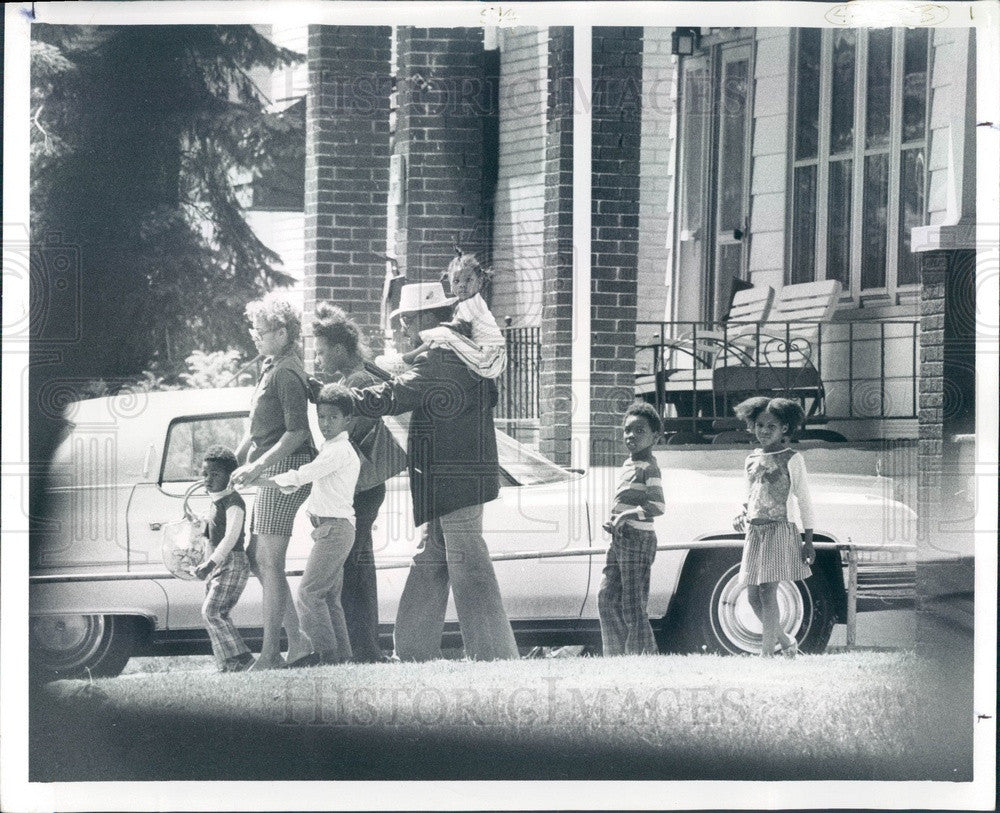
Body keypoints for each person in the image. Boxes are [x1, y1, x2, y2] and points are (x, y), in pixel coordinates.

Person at [351, 281, 519, 662]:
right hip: (456, 482)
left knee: (468, 565)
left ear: (429, 319)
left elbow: (396, 396)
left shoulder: (440, 359)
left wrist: (345, 396)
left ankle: (495, 656)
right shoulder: (460, 355)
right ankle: (413, 650)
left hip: (454, 483)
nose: (404, 328)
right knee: (432, 558)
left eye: (408, 320)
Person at [311, 302, 406, 663]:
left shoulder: (359, 383)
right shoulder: (353, 380)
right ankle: (363, 646)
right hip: (359, 488)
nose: (318, 359)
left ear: (339, 349)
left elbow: (345, 442)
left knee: (354, 567)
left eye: (321, 352)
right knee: (354, 565)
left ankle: (365, 648)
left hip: (359, 489)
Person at [230, 292, 315, 670]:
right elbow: (259, 427)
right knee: (260, 559)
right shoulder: (273, 365)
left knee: (268, 561)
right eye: (254, 329)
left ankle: (270, 655)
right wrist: (234, 461)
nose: (255, 336)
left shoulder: (286, 372)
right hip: (272, 470)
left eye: (261, 330)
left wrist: (257, 466)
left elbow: (296, 433)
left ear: (282, 333)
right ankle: (297, 643)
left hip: (287, 470)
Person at [262, 383, 361, 666]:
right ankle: (342, 657)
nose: (325, 423)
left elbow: (304, 475)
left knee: (308, 593)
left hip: (335, 530)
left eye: (332, 417)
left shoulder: (338, 451)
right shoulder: (331, 448)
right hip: (330, 530)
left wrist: (261, 479)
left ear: (347, 420)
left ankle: (327, 655)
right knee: (328, 596)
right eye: (321, 417)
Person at [732, 396, 817, 658]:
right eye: (759, 425)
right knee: (752, 596)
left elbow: (804, 499)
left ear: (785, 429)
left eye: (772, 425)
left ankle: (767, 654)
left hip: (780, 530)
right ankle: (785, 640)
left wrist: (809, 540)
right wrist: (740, 514)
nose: (764, 431)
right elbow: (750, 497)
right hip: (755, 533)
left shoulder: (793, 458)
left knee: (769, 591)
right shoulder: (751, 459)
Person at [598, 402, 666, 656]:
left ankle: (643, 657)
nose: (631, 436)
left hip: (639, 538)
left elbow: (658, 506)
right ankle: (615, 657)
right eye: (627, 430)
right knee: (606, 598)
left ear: (655, 437)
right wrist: (615, 520)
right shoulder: (628, 464)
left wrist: (625, 515)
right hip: (620, 538)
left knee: (633, 605)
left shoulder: (650, 467)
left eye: (639, 431)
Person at [193, 446, 255, 672]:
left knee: (211, 612)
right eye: (205, 474)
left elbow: (231, 537)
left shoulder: (233, 502)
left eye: (215, 474)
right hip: (219, 565)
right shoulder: (216, 502)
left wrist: (210, 563)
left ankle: (243, 658)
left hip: (232, 563)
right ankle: (227, 664)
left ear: (230, 477)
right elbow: (212, 532)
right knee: (219, 614)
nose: (208, 479)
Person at [399, 250, 506, 379]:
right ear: (450, 285)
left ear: (479, 282)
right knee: (444, 338)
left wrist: (441, 330)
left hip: (490, 358)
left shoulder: (473, 304)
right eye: (456, 281)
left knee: (443, 334)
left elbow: (456, 329)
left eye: (468, 280)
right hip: (484, 358)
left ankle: (409, 358)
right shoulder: (464, 305)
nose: (462, 285)